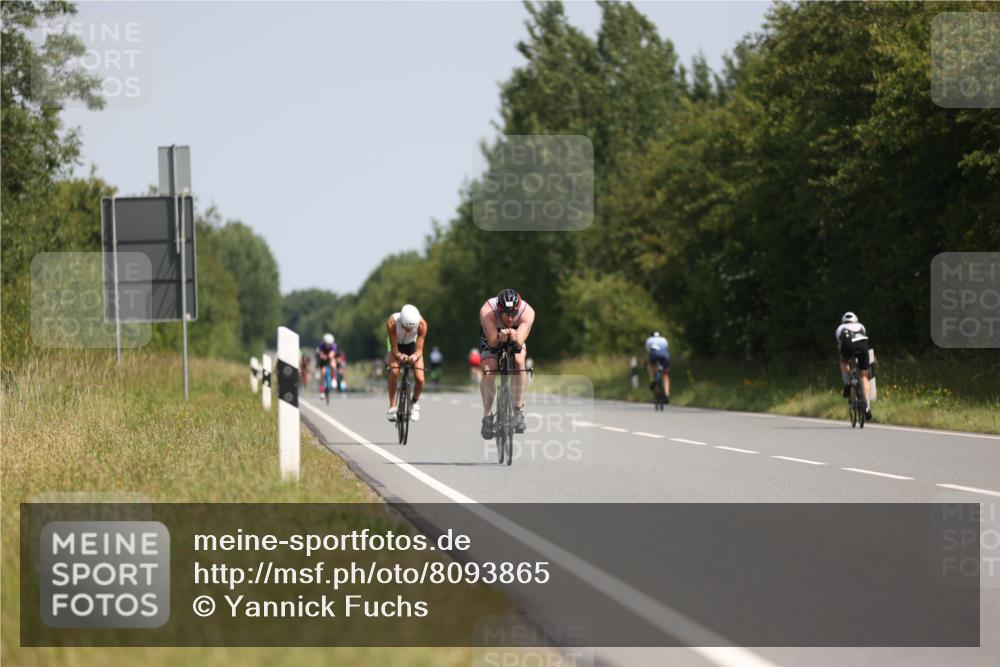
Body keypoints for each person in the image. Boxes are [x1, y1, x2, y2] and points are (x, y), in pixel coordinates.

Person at [479, 288, 535, 438]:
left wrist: (514, 337)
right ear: (499, 310)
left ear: (517, 310)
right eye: (505, 314)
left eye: (513, 315)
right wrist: (499, 338)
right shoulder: (487, 310)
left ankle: (518, 410)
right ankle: (487, 416)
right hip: (493, 335)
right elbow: (492, 343)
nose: (509, 319)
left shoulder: (527, 312)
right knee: (489, 369)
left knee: (518, 360)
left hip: (517, 334)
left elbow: (518, 345)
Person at [386, 304, 427, 422]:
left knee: (420, 378)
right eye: (405, 328)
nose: (408, 330)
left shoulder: (422, 324)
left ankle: (414, 402)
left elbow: (419, 350)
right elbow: (394, 349)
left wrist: (415, 357)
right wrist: (399, 355)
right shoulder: (392, 322)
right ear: (401, 322)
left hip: (412, 345)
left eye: (411, 328)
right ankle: (392, 405)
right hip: (396, 344)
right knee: (394, 371)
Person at [836, 311, 873, 420]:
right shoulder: (861, 326)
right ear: (855, 320)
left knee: (844, 362)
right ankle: (867, 406)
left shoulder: (840, 328)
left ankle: (848, 381)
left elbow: (840, 345)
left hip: (847, 346)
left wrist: (843, 358)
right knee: (864, 376)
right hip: (862, 348)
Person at [645, 330, 670, 403]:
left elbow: (649, 352)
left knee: (650, 365)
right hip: (665, 356)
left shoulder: (649, 340)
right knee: (665, 375)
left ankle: (652, 379)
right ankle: (667, 394)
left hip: (654, 355)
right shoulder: (664, 339)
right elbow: (665, 350)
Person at [315, 333, 338, 399]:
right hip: (323, 360)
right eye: (327, 344)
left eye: (329, 344)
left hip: (330, 358)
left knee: (333, 365)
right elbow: (320, 353)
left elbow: (332, 353)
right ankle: (322, 392)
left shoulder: (333, 345)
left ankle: (333, 378)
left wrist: (330, 355)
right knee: (322, 373)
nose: (328, 345)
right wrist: (322, 356)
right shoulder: (321, 345)